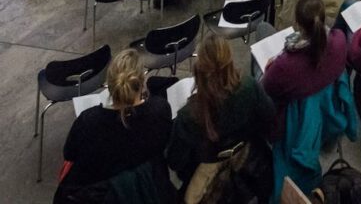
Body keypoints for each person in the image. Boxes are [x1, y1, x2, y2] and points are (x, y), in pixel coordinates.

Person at [166, 35, 275, 202]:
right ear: (230, 61)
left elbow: (175, 161)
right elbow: (268, 116)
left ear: (200, 69)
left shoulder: (188, 115)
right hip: (248, 160)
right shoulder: (248, 86)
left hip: (207, 178)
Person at [55, 50, 173, 200]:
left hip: (102, 195)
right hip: (149, 189)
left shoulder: (88, 121)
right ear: (142, 82)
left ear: (110, 85)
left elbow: (70, 154)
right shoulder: (160, 109)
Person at [262, 0, 348, 131]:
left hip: (293, 117)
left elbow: (267, 88)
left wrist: (269, 68)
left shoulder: (285, 64)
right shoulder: (340, 39)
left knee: (263, 29)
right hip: (328, 104)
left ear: (297, 23)